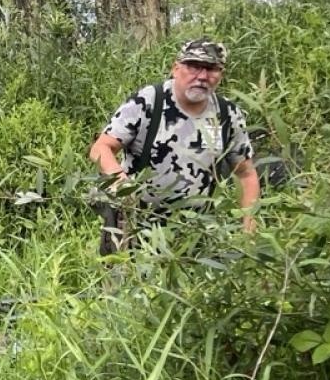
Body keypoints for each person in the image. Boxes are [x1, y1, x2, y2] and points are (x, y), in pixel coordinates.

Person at [89, 38, 261, 254]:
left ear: (221, 74)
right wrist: (119, 180)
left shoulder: (228, 115)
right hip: (136, 221)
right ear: (176, 68)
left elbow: (246, 174)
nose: (202, 76)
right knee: (122, 283)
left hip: (194, 227)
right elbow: (101, 148)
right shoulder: (149, 102)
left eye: (211, 69)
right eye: (193, 66)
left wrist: (249, 228)